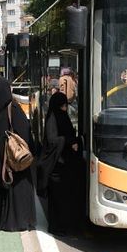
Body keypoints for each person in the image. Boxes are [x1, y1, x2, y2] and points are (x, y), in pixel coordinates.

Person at [0, 78, 36, 232]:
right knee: (19, 187)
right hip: (14, 161)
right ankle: (19, 220)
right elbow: (25, 133)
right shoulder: (14, 109)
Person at [36, 92, 85, 236]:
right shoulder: (52, 118)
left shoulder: (61, 116)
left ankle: (66, 224)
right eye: (63, 105)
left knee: (66, 197)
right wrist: (69, 142)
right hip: (57, 165)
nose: (65, 108)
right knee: (58, 198)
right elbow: (52, 141)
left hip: (65, 163)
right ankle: (57, 226)